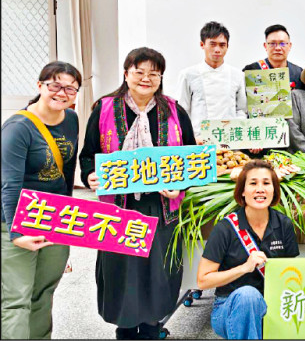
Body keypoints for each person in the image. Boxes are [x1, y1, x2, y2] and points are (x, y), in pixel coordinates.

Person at [79, 47, 196, 340]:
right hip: (119, 206)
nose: (146, 78)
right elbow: (87, 156)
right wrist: (90, 175)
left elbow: (190, 158)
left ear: (160, 78)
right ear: (126, 73)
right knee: (123, 269)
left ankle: (153, 325)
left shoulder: (174, 110)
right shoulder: (104, 108)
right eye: (139, 72)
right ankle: (127, 327)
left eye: (153, 73)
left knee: (158, 268)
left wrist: (179, 184)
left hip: (161, 206)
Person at [1, 61, 82, 339]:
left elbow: (67, 175)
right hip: (17, 219)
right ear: (40, 86)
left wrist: (69, 228)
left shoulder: (71, 119)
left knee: (44, 293)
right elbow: (9, 184)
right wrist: (16, 234)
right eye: (55, 85)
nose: (62, 93)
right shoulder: (18, 127)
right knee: (16, 299)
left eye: (70, 88)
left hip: (55, 218)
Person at [197, 160, 299, 340]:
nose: (260, 189)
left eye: (266, 183)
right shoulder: (225, 228)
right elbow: (203, 281)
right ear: (242, 191)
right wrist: (244, 268)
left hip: (271, 304)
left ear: (274, 190)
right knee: (248, 295)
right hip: (228, 308)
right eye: (253, 183)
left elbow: (292, 274)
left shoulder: (284, 224)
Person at [178, 21, 247, 136]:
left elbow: (241, 109)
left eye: (222, 45)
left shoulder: (237, 75)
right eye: (212, 44)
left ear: (227, 46)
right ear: (202, 45)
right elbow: (182, 111)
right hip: (199, 140)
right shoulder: (188, 74)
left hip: (231, 138)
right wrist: (191, 137)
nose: (217, 50)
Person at [242, 24, 303, 90]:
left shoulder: (299, 73)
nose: (278, 48)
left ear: (289, 46)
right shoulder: (251, 70)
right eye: (272, 43)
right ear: (265, 46)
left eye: (282, 44)